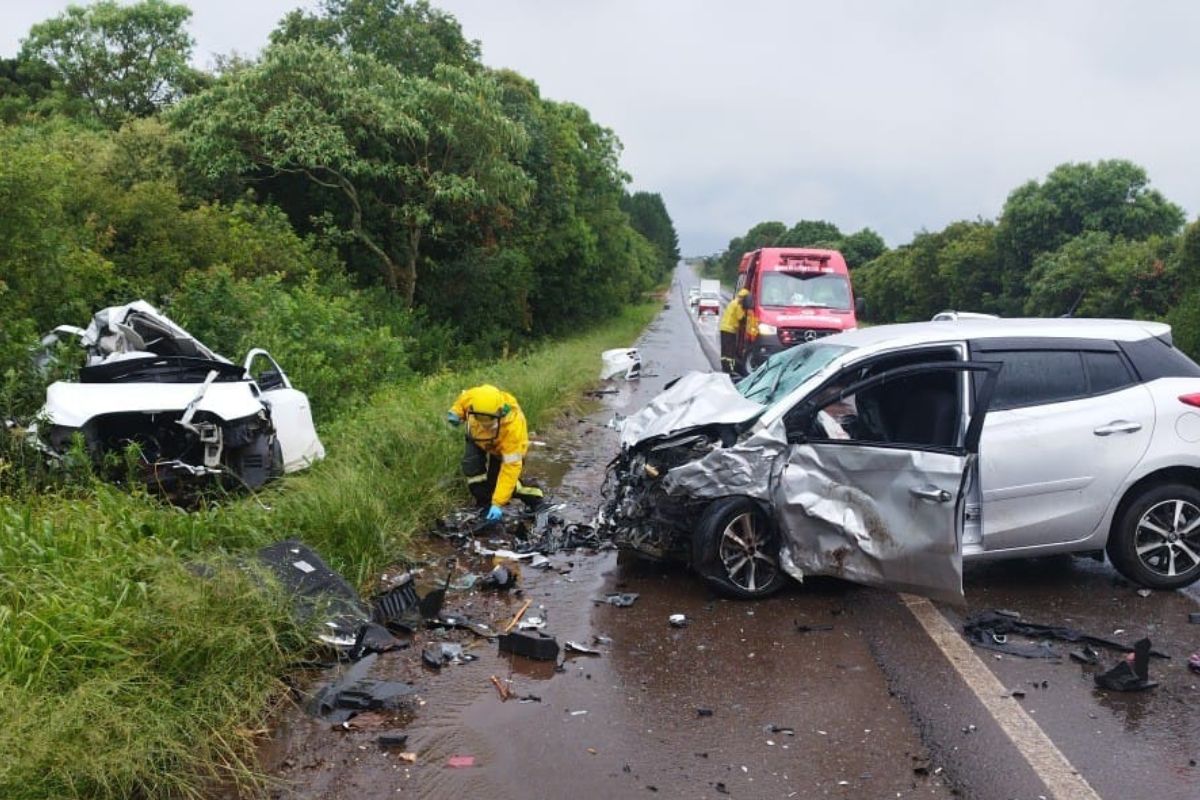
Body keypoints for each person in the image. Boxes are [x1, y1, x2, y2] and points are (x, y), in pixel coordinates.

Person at [446, 384, 544, 521]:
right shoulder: (476, 397)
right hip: (476, 438)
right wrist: (456, 412)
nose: (484, 425)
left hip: (501, 448)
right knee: (472, 468)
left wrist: (498, 503)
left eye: (488, 421)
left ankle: (535, 497)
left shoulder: (513, 429)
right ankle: (483, 503)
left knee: (499, 482)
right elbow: (463, 400)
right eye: (479, 418)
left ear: (500, 411)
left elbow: (510, 468)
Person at [719, 288, 750, 374]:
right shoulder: (738, 305)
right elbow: (741, 318)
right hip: (730, 329)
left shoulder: (734, 302)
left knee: (725, 350)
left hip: (724, 328)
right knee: (730, 350)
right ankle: (730, 369)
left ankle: (725, 367)